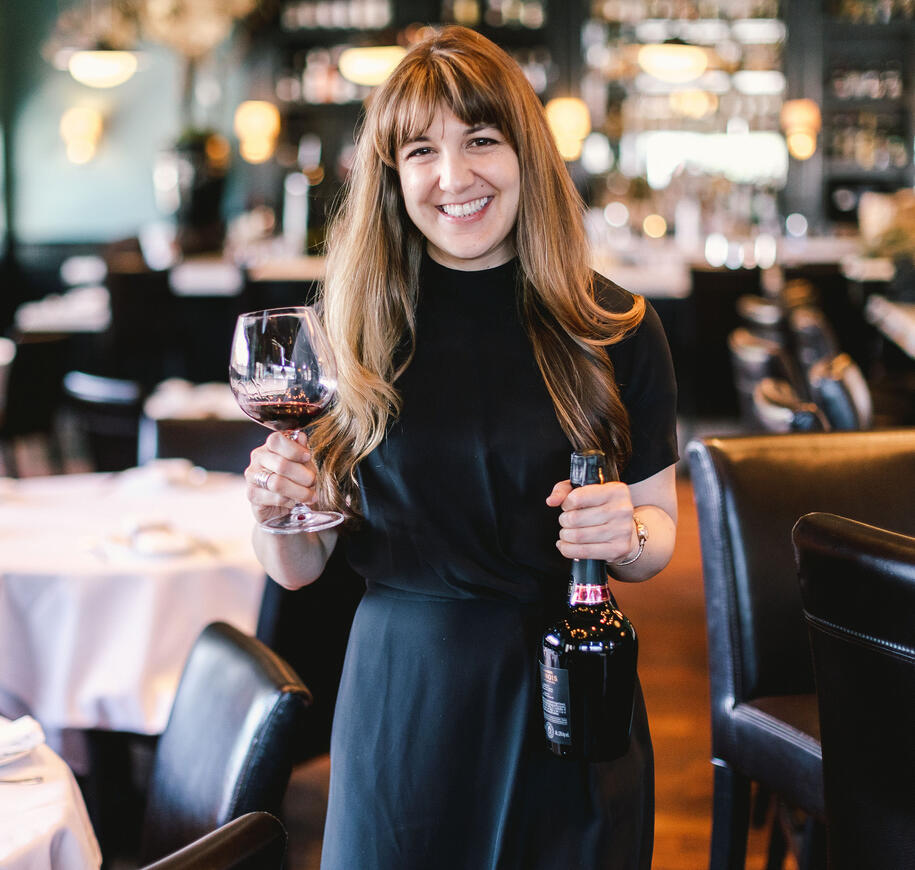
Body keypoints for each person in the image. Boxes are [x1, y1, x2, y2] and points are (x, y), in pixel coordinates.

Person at [244, 25, 678, 870]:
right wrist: (274, 509)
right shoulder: (350, 332)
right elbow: (295, 569)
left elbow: (657, 537)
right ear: (390, 175)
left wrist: (624, 533)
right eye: (420, 152)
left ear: (526, 152)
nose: (454, 178)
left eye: (481, 141)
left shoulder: (614, 326)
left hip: (569, 694)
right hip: (403, 702)